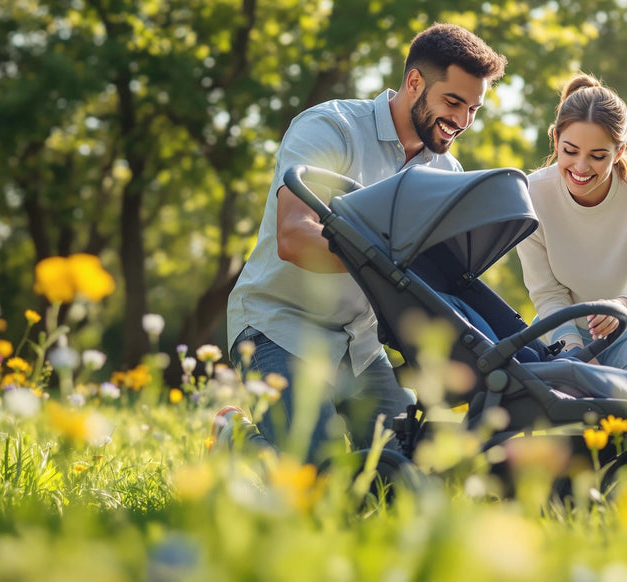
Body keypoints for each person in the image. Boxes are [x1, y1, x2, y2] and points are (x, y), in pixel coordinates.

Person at [213, 24, 507, 463]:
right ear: (414, 83)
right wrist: (385, 259)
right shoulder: (331, 128)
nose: (463, 121)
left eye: (473, 108)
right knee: (314, 475)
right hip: (279, 326)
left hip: (360, 345)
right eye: (453, 102)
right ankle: (231, 435)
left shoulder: (446, 173)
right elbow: (293, 237)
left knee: (406, 477)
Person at [515, 74, 627, 407]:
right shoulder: (531, 194)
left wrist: (621, 307)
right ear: (555, 140)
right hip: (559, 328)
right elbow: (547, 293)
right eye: (570, 151)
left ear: (619, 150)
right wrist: (576, 354)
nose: (581, 167)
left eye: (598, 156)